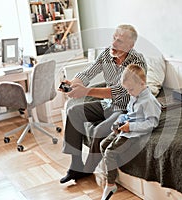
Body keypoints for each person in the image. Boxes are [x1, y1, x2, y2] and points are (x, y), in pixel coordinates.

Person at [59, 24, 148, 184]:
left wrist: (85, 91)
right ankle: (75, 165)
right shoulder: (108, 53)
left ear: (130, 45)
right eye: (114, 38)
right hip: (108, 104)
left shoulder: (136, 62)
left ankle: (87, 170)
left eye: (119, 41)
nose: (114, 43)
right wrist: (73, 83)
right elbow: (89, 72)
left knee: (99, 130)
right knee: (73, 111)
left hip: (127, 110)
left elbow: (119, 91)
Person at [100, 64, 161, 200]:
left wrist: (131, 127)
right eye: (127, 89)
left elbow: (152, 123)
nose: (129, 92)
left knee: (110, 152)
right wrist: (120, 122)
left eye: (131, 89)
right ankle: (110, 177)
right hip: (126, 128)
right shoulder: (134, 95)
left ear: (142, 83)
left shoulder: (149, 101)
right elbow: (128, 113)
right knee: (103, 144)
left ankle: (110, 185)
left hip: (135, 133)